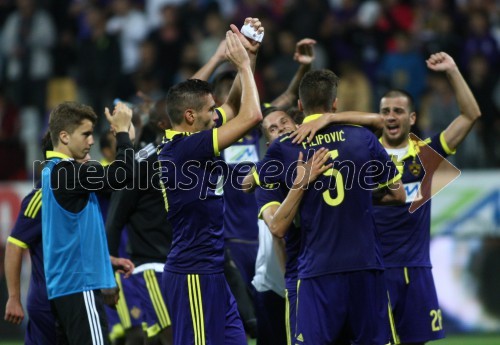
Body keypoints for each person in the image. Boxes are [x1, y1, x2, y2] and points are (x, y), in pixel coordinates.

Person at [250, 69, 405, 344]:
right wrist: (358, 193)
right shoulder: (362, 138)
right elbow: (398, 195)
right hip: (366, 265)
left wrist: (291, 181)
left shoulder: (285, 148)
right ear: (334, 103)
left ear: (299, 106)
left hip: (316, 270)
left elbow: (248, 183)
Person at [157, 24, 262, 344]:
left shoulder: (191, 141)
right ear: (190, 116)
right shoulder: (186, 148)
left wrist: (250, 57)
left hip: (212, 272)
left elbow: (233, 105)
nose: (217, 115)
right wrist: (242, 65)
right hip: (192, 275)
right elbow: (252, 115)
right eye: (209, 110)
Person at [372, 52, 481, 345]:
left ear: (412, 117)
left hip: (417, 269)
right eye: (385, 111)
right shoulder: (363, 157)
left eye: (398, 110)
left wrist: (453, 71)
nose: (391, 116)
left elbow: (471, 115)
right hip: (375, 271)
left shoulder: (426, 154)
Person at [41, 101, 135, 345]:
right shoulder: (66, 172)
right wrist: (123, 134)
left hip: (67, 286)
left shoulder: (53, 170)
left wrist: (107, 260)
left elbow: (72, 233)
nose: (91, 141)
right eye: (85, 134)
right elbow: (121, 177)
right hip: (79, 285)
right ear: (64, 136)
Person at [106, 102, 174, 345]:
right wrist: (108, 277)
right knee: (168, 337)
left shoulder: (191, 156)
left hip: (184, 265)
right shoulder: (141, 161)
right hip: (153, 266)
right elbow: (114, 219)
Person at [3, 134, 59, 344]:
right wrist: (14, 298)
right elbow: (15, 244)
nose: (90, 144)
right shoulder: (43, 194)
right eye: (85, 136)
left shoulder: (78, 192)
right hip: (49, 300)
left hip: (71, 295)